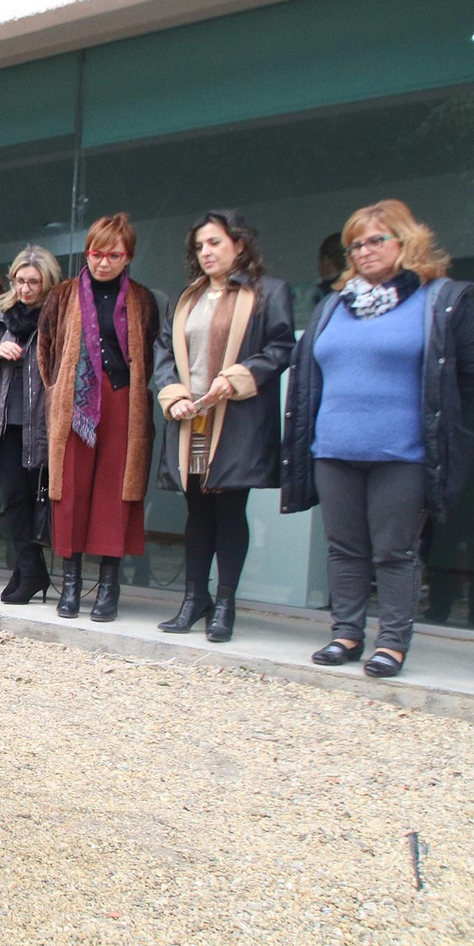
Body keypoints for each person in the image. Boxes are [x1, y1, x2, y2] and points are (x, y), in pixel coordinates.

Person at [282, 199, 474, 678]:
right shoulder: (335, 303)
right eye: (356, 244)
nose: (364, 250)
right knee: (344, 547)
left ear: (406, 241)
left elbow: (472, 377)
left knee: (395, 551)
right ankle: (346, 633)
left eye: (376, 240)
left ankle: (392, 643)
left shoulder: (439, 299)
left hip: (403, 452)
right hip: (333, 448)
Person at [152, 211, 294, 642]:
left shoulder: (269, 293)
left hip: (236, 419)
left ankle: (226, 605)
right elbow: (164, 350)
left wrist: (233, 381)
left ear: (240, 244)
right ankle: (195, 599)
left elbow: (280, 347)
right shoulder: (187, 298)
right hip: (191, 420)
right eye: (199, 246)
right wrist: (173, 394)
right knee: (197, 511)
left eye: (214, 242)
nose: (206, 252)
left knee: (230, 510)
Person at [38, 214, 159, 622]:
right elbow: (47, 350)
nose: (103, 262)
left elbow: (151, 350)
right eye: (95, 253)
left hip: (124, 402)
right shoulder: (62, 294)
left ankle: (109, 588)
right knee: (71, 488)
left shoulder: (141, 299)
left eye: (113, 255)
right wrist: (59, 393)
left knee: (114, 490)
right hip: (75, 403)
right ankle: (71, 585)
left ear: (129, 257)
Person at [0, 246, 61, 604]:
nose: (25, 289)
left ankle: (29, 570)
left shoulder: (57, 316)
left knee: (39, 500)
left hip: (42, 422)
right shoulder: (1, 315)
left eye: (33, 282)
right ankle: (29, 568)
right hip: (5, 424)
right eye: (20, 280)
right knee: (14, 499)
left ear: (47, 282)